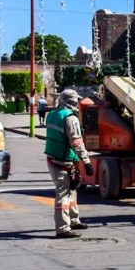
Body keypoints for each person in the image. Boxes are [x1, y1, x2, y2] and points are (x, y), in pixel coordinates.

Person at [44, 88, 93, 238]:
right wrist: (87, 162)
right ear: (71, 101)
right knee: (63, 194)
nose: (77, 103)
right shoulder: (71, 119)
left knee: (72, 190)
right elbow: (77, 143)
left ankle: (73, 220)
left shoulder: (52, 115)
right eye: (75, 100)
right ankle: (63, 228)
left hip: (55, 158)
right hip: (62, 160)